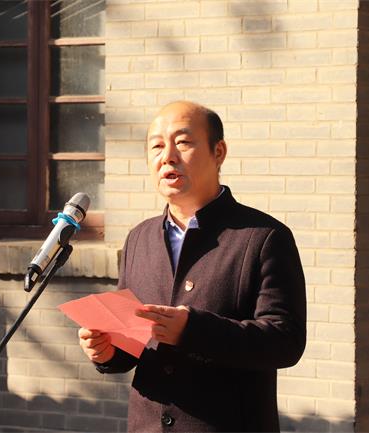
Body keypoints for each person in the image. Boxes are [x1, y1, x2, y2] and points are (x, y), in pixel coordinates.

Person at [77, 101, 307, 432]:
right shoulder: (139, 238)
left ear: (218, 152)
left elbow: (285, 342)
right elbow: (134, 342)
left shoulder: (263, 237)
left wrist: (193, 330)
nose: (167, 156)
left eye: (183, 142)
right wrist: (107, 351)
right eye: (156, 146)